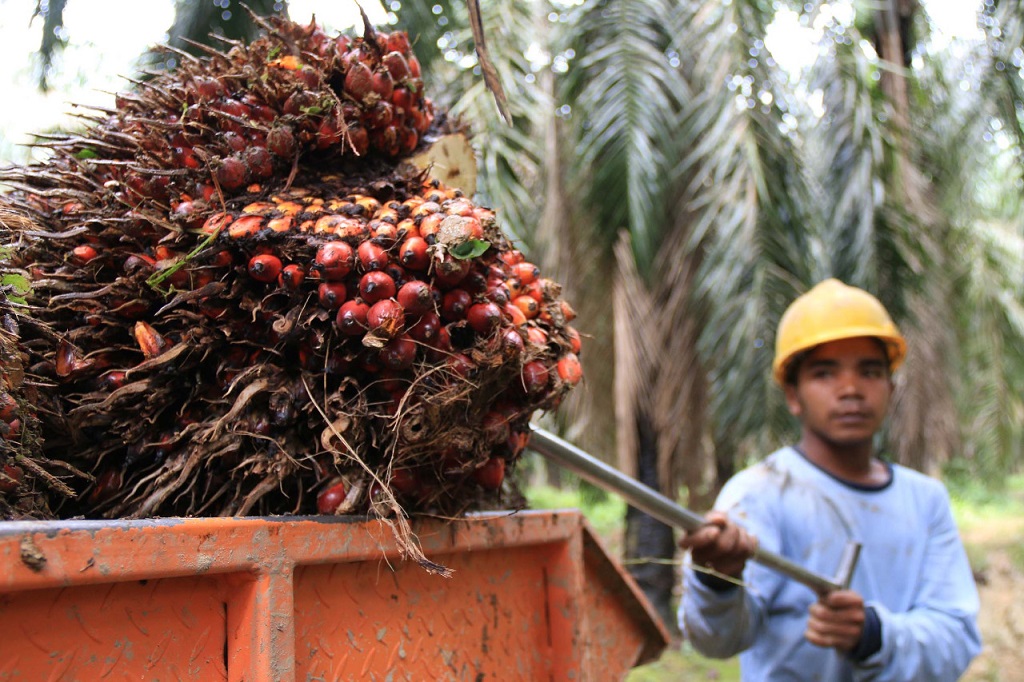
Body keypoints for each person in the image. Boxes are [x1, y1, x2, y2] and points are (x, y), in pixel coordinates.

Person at [677, 278, 982, 681]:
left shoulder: (926, 501)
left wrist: (874, 635)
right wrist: (717, 581)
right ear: (792, 394)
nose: (851, 389)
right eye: (825, 373)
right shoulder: (759, 494)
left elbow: (956, 638)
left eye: (870, 371)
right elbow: (717, 642)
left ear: (891, 388)